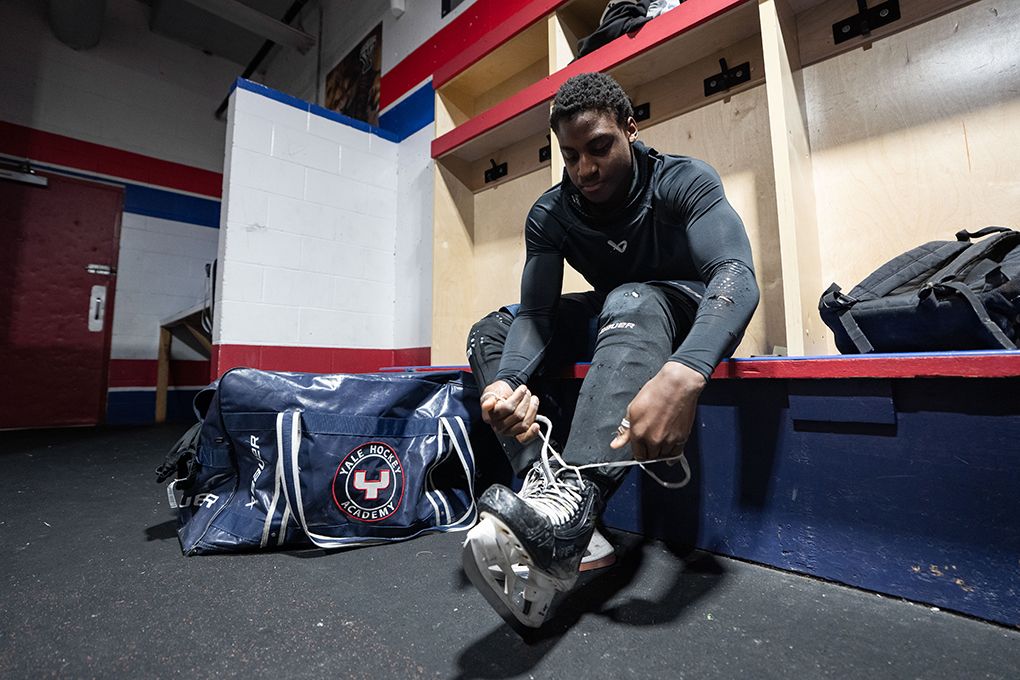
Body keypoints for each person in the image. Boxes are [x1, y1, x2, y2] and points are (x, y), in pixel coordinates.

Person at [461, 72, 759, 629]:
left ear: (630, 127)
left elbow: (735, 275)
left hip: (681, 307)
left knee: (632, 295)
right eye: (570, 156)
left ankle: (574, 504)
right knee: (490, 332)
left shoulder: (682, 181)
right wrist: (505, 383)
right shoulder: (551, 214)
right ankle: (556, 508)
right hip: (618, 314)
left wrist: (686, 372)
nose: (585, 169)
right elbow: (536, 316)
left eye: (599, 147)